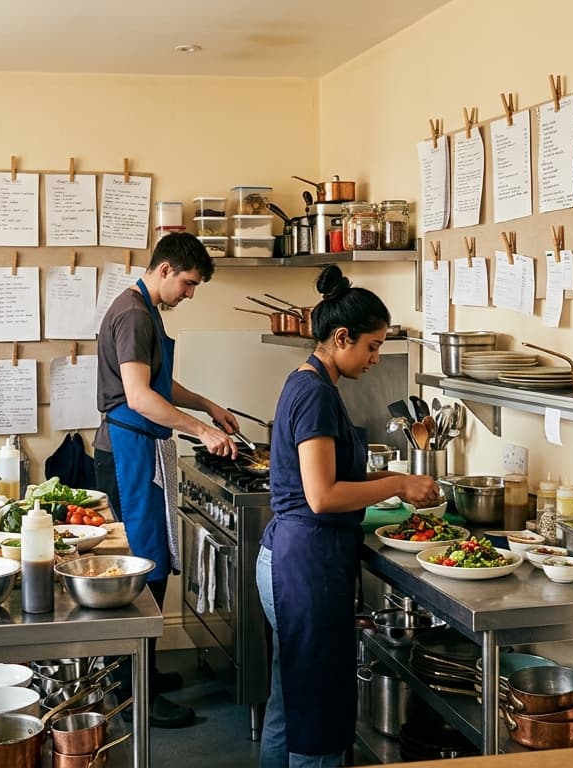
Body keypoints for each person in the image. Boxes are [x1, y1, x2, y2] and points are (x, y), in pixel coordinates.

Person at [257, 266, 440, 767]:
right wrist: (401, 483)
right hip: (304, 564)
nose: (376, 358)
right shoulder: (315, 393)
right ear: (341, 337)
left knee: (289, 702)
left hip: (291, 557)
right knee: (316, 713)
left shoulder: (309, 380)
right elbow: (322, 495)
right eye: (372, 346)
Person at [94, 232, 240, 729]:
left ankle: (145, 674)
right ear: (164, 270)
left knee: (150, 565)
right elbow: (138, 396)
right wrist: (200, 430)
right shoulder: (134, 313)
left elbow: (159, 383)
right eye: (189, 283)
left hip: (142, 448)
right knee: (136, 573)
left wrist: (207, 404)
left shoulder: (145, 309)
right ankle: (132, 692)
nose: (190, 294)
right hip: (127, 452)